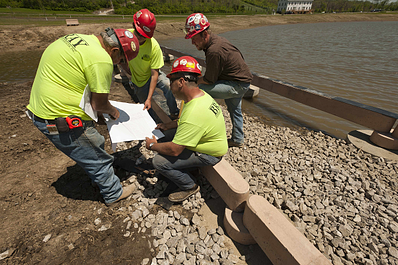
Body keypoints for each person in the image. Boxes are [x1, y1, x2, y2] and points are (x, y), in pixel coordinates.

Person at [27, 28, 140, 206]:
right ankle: (113, 192)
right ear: (115, 51)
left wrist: (96, 115)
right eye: (121, 60)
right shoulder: (102, 59)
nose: (118, 64)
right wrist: (111, 111)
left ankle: (98, 176)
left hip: (39, 108)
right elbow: (99, 104)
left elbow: (78, 79)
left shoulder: (76, 38)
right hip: (60, 118)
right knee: (96, 151)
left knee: (92, 145)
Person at [145, 56, 228, 202]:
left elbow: (175, 150)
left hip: (208, 153)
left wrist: (152, 146)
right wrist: (167, 125)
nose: (170, 86)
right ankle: (188, 167)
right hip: (205, 140)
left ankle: (189, 185)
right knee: (164, 135)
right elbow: (183, 122)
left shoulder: (195, 111)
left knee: (158, 162)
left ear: (181, 82)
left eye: (172, 82)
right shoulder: (200, 97)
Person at [184, 13, 253, 147]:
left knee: (198, 90)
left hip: (236, 84)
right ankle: (238, 139)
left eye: (194, 38)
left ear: (204, 35)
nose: (192, 42)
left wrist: (193, 81)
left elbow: (209, 80)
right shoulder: (215, 40)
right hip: (240, 81)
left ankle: (197, 129)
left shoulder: (214, 51)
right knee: (235, 110)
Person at [120, 9, 179, 119]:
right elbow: (117, 56)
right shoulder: (124, 37)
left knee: (168, 85)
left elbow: (154, 74)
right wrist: (127, 70)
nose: (139, 38)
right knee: (145, 106)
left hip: (152, 73)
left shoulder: (154, 47)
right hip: (138, 80)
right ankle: (151, 122)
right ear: (133, 26)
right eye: (138, 33)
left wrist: (150, 97)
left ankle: (174, 112)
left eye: (143, 36)